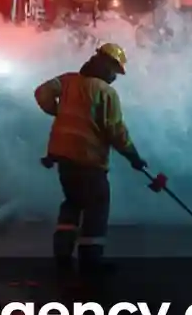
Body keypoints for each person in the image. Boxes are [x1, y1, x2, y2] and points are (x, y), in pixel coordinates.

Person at [34, 42, 148, 275]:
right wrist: (134, 157)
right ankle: (91, 263)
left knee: (72, 203)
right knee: (96, 208)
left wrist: (55, 111)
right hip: (89, 161)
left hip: (63, 157)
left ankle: (62, 255)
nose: (115, 77)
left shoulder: (67, 81)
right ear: (106, 65)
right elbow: (116, 131)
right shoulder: (106, 93)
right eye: (114, 71)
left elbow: (42, 93)